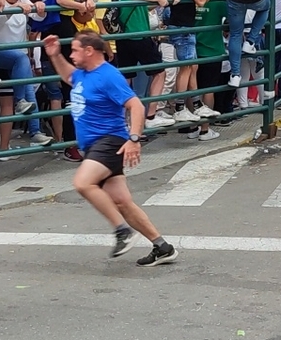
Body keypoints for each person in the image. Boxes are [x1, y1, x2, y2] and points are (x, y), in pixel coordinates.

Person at [42, 30, 179, 267]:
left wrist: (134, 139)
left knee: (83, 183)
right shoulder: (84, 74)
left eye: (74, 50)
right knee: (122, 202)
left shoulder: (108, 75)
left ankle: (122, 232)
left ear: (89, 51)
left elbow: (135, 105)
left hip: (109, 141)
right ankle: (162, 247)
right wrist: (55, 56)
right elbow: (69, 77)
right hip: (96, 145)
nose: (71, 54)